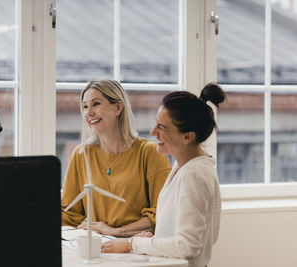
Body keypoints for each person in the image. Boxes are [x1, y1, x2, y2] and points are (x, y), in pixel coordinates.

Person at [101, 83, 225, 267]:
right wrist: (154, 241)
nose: (153, 132)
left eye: (161, 127)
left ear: (187, 137)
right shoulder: (184, 166)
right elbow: (203, 235)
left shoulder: (194, 174)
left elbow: (189, 245)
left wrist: (132, 243)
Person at [61, 79, 171, 237]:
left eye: (96, 104)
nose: (89, 113)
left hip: (136, 247)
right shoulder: (81, 154)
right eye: (85, 106)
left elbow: (162, 213)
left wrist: (116, 232)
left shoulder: (149, 152)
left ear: (118, 107)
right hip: (96, 246)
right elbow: (69, 215)